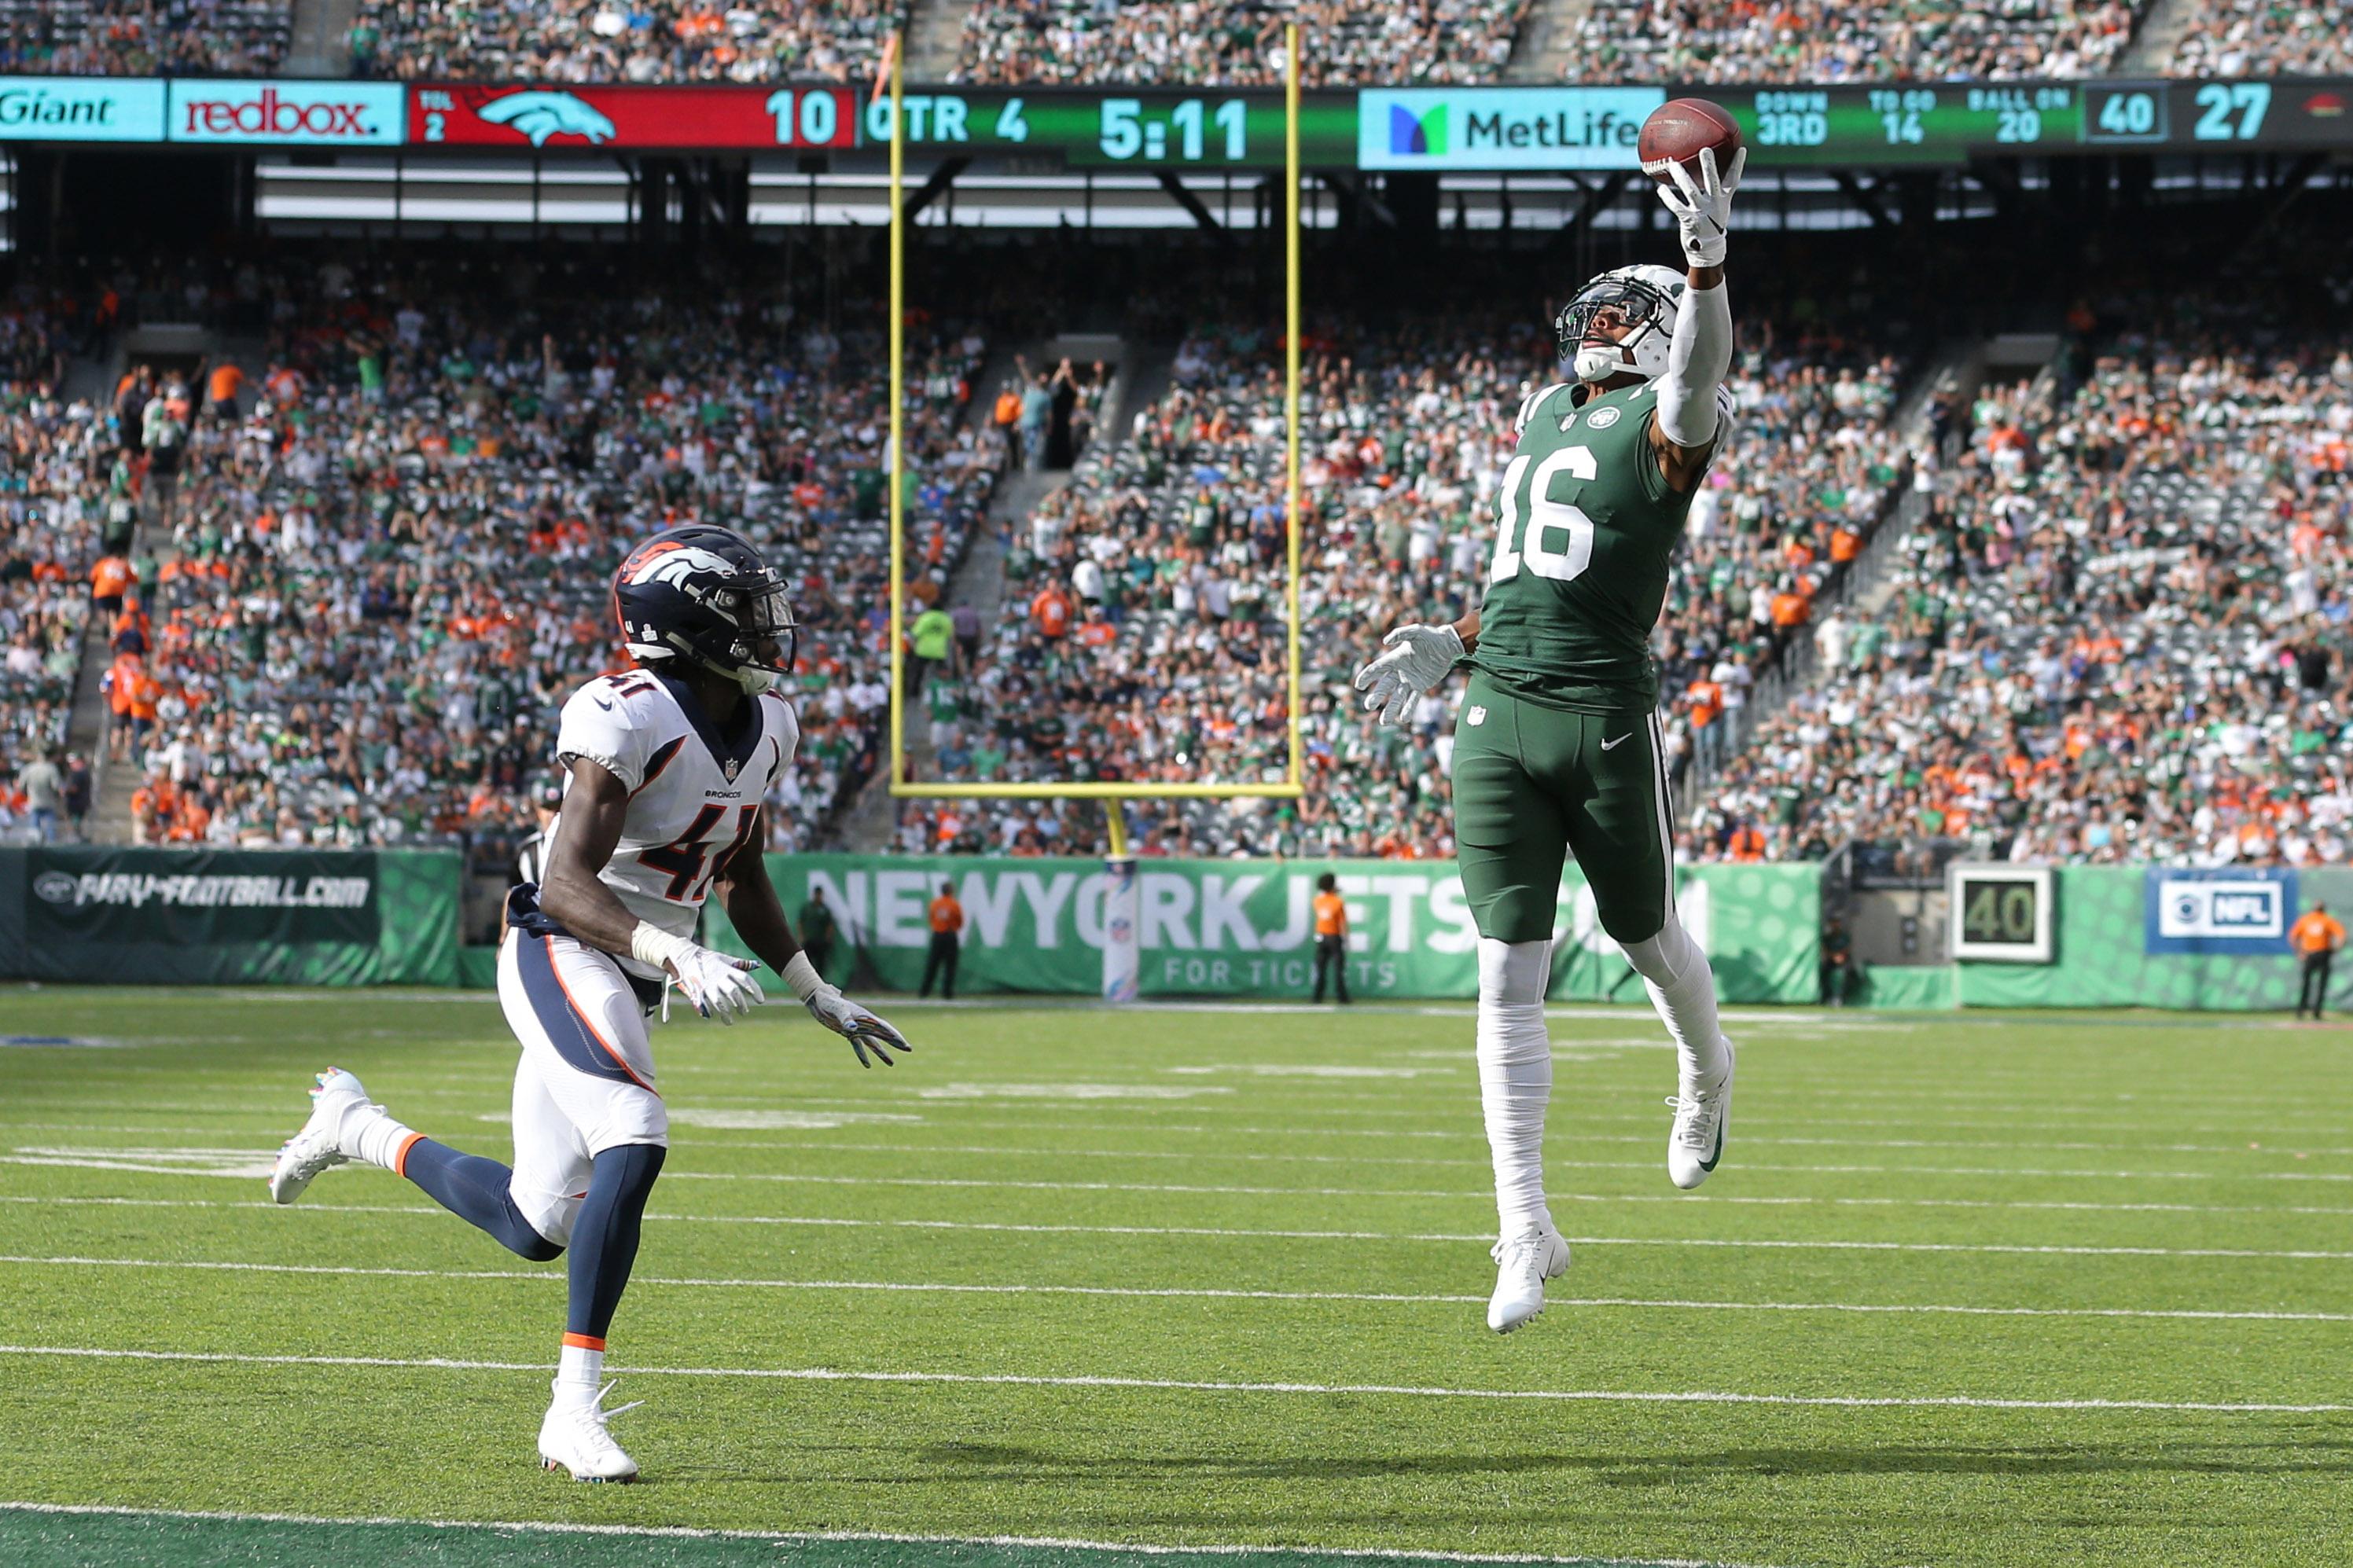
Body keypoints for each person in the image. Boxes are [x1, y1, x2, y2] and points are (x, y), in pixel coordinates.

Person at [267, 525, 913, 1483]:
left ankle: (356, 1127)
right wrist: (672, 950)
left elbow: (740, 870)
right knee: (635, 1127)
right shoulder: (623, 714)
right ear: (687, 622)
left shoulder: (770, 722)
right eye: (742, 604)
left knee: (537, 1225)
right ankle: (571, 1411)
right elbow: (567, 882)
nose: (766, 621)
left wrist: (814, 990)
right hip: (559, 944)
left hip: (636, 966)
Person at [1353, 145, 1745, 1335]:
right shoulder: (1540, 410)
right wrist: (1451, 640)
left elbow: (1693, 384)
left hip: (1600, 710)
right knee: (1502, 967)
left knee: (1643, 933)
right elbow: (1533, 574)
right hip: (1497, 706)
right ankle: (1524, 1223)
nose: (1599, 319)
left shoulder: (1678, 411)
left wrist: (1708, 267)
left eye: (1627, 307)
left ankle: (1707, 1067)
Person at [2292, 901, 2345, 1020]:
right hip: (2320, 953)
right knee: (2317, 984)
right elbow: (2342, 935)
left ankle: (2306, 1010)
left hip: (2313, 953)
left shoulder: (2309, 919)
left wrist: (2300, 952)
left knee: (2310, 984)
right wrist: (2336, 949)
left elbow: (2293, 937)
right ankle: (2310, 1010)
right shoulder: (2325, 920)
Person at [1311, 871, 1350, 1004]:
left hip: (1321, 936)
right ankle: (1342, 997)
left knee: (1321, 969)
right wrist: (1346, 940)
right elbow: (1342, 922)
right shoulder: (1337, 901)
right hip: (1334, 937)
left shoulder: (1317, 900)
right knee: (1338, 969)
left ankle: (1317, 996)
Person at [921, 879, 963, 999]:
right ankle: (947, 992)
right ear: (951, 891)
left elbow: (931, 918)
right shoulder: (954, 904)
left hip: (938, 935)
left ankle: (925, 991)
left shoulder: (935, 903)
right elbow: (960, 921)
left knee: (932, 964)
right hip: (950, 935)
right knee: (950, 966)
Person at [19, 749, 62, 844]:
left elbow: (21, 786)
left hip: (34, 802)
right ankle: (52, 848)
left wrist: (27, 793)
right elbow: (56, 786)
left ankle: (35, 848)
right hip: (48, 802)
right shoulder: (51, 768)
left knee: (34, 829)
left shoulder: (28, 768)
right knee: (51, 828)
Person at [800, 884, 840, 983]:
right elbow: (800, 922)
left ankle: (819, 983)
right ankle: (807, 983)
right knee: (808, 963)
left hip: (821, 941)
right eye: (817, 894)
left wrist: (828, 937)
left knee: (820, 964)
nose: (818, 897)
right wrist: (802, 936)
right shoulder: (808, 908)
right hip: (809, 940)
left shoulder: (825, 909)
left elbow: (830, 924)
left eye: (820, 894)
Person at [1820, 915, 1855, 1007]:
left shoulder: (1845, 936)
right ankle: (1827, 997)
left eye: (1837, 922)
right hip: (1831, 960)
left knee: (1849, 973)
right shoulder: (1828, 938)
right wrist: (1834, 956)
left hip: (1844, 960)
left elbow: (1847, 949)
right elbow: (1825, 950)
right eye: (1833, 923)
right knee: (1823, 974)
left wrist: (1840, 956)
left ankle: (1842, 997)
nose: (1835, 925)